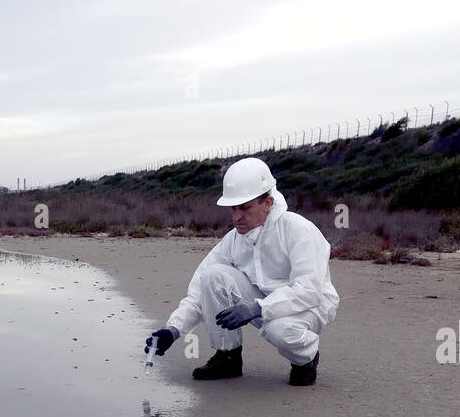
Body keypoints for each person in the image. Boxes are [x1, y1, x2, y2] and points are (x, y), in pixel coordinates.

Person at [144, 157, 339, 385]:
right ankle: (227, 358)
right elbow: (200, 288)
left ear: (267, 202)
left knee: (278, 329)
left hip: (311, 306)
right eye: (233, 208)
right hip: (259, 303)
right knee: (213, 275)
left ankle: (305, 359)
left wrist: (256, 307)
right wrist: (174, 329)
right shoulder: (234, 240)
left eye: (245, 208)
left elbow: (309, 291)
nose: (237, 217)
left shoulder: (299, 230)